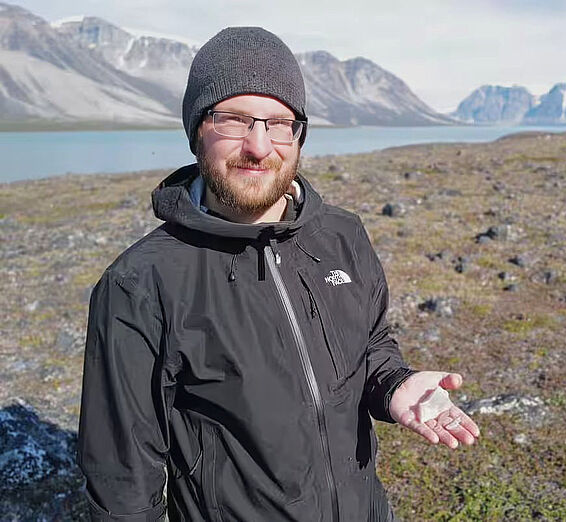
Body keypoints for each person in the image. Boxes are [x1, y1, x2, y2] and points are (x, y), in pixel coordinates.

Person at [77, 26, 479, 521]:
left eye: (279, 123)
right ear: (197, 131)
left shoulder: (342, 236)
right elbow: (121, 480)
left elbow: (371, 343)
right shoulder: (140, 283)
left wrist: (394, 383)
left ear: (298, 134)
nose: (259, 145)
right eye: (233, 120)